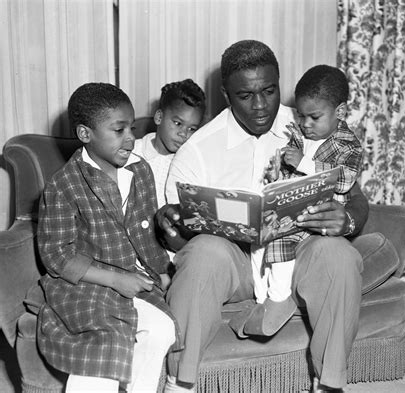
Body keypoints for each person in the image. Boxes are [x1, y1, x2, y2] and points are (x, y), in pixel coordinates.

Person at [158, 40, 367, 393]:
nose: (260, 106)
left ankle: (329, 384)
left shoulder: (307, 121)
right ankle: (181, 381)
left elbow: (358, 198)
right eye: (245, 96)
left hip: (298, 251)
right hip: (234, 263)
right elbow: (181, 245)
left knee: (340, 256)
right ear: (225, 94)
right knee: (204, 253)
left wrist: (345, 220)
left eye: (269, 91)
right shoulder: (197, 151)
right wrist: (173, 225)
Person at [36, 82, 180, 393]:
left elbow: (148, 235)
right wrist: (116, 281)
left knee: (163, 329)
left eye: (131, 127)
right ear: (85, 134)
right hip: (86, 285)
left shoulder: (140, 171)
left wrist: (162, 270)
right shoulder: (63, 185)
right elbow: (57, 256)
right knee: (108, 340)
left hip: (134, 278)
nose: (131, 138)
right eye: (119, 130)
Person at [244, 64, 364, 337]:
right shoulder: (298, 137)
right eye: (301, 116)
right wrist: (276, 174)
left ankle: (278, 298)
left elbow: (344, 180)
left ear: (340, 112)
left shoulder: (348, 144)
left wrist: (305, 162)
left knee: (280, 240)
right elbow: (289, 176)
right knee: (258, 240)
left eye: (314, 117)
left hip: (318, 218)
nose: (306, 124)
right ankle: (262, 299)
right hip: (293, 208)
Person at [133, 79, 206, 208]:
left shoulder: (192, 162)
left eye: (192, 129)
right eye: (178, 123)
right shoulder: (132, 154)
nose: (183, 134)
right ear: (159, 117)